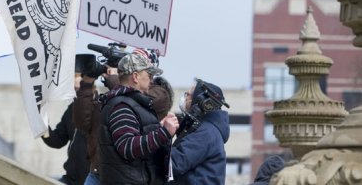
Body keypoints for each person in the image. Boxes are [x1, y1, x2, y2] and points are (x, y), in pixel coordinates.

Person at [76, 49, 173, 185]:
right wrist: (86, 84)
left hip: (129, 176)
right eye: (148, 74)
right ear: (135, 76)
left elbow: (138, 98)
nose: (151, 79)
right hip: (103, 174)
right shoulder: (116, 102)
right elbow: (82, 123)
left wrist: (116, 81)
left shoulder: (157, 93)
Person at [40, 56, 91, 185]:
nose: (71, 82)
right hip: (70, 179)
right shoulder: (72, 109)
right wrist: (41, 120)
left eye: (75, 76)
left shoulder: (102, 106)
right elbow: (57, 140)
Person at [170, 78, 230, 185]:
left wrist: (162, 135)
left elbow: (175, 162)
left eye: (188, 95)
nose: (184, 97)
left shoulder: (206, 133)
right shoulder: (208, 130)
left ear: (201, 102)